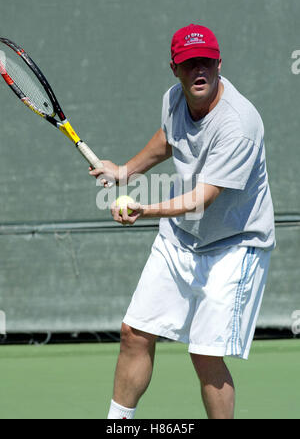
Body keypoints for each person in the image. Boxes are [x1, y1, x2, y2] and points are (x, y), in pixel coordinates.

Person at [90, 24, 275, 419]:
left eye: (206, 61)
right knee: (135, 333)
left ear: (219, 63)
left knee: (205, 353)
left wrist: (144, 209)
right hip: (181, 239)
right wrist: (125, 171)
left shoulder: (238, 124)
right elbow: (168, 138)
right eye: (190, 64)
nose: (199, 70)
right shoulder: (174, 99)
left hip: (234, 245)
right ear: (175, 69)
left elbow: (202, 199)